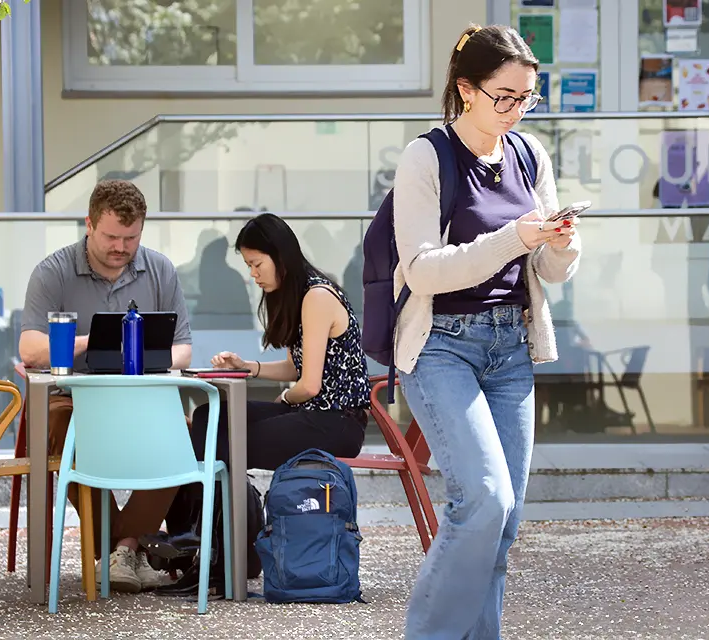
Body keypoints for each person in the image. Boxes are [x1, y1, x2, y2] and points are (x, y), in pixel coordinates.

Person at [391, 25, 581, 639]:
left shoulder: (530, 155)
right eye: (505, 97)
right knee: (484, 502)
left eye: (528, 98)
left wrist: (562, 245)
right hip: (441, 346)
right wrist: (513, 238)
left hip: (511, 347)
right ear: (467, 90)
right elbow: (420, 271)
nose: (517, 111)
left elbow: (546, 271)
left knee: (502, 526)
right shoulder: (427, 156)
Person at [150, 213, 370, 594]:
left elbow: (309, 385)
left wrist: (284, 398)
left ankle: (217, 559)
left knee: (226, 438)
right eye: (248, 265)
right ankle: (219, 549)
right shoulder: (300, 295)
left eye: (256, 263)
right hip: (314, 413)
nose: (253, 273)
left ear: (279, 256)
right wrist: (248, 367)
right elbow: (298, 365)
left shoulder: (317, 297)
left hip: (337, 422)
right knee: (207, 417)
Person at [18, 179, 192, 593]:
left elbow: (183, 350)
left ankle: (123, 549)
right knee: (66, 435)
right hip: (73, 400)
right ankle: (123, 551)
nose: (122, 246)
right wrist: (91, 341)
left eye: (131, 238)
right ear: (89, 224)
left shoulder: (160, 269)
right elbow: (30, 348)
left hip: (141, 403)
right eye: (112, 236)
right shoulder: (53, 271)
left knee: (184, 435)